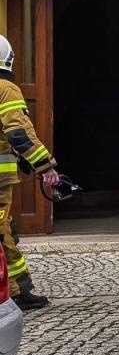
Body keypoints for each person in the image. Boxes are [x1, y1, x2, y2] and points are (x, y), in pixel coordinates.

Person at [0, 36, 58, 311]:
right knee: (2, 232)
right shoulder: (5, 88)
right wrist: (44, 165)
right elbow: (18, 132)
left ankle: (19, 288)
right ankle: (14, 292)